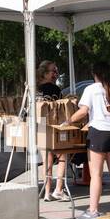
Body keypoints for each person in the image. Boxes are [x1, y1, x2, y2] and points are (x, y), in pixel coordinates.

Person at [68, 63, 110, 219]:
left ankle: (93, 210)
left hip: (98, 132)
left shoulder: (91, 89)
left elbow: (83, 112)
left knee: (96, 174)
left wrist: (68, 121)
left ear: (95, 74)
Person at [36, 60, 68, 201]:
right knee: (63, 156)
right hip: (54, 127)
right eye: (53, 71)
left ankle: (47, 191)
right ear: (45, 73)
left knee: (46, 160)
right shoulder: (55, 90)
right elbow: (61, 110)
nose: (56, 74)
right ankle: (59, 189)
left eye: (56, 71)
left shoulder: (35, 89)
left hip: (40, 126)